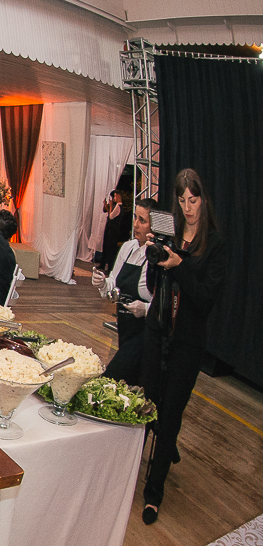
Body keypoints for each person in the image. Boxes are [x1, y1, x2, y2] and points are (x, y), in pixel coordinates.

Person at [139, 169, 226, 525]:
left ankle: (153, 494)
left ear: (203, 199)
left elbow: (204, 300)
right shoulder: (171, 234)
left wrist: (179, 265)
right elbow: (152, 285)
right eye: (182, 200)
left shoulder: (214, 244)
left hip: (187, 343)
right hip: (156, 332)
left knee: (171, 414)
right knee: (147, 407)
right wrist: (155, 256)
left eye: (193, 200)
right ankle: (132, 470)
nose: (188, 208)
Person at [92, 198, 154, 385]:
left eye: (142, 220)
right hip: (125, 327)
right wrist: (102, 283)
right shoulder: (128, 248)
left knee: (110, 378)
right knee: (130, 384)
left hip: (145, 332)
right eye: (135, 217)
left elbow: (165, 301)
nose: (136, 224)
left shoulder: (156, 257)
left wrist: (146, 308)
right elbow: (113, 282)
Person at [98, 190, 132, 272]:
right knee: (106, 247)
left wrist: (110, 206)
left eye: (115, 196)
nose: (114, 198)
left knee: (111, 249)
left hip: (113, 231)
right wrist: (107, 206)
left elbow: (111, 216)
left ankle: (110, 268)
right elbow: (107, 212)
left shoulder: (118, 206)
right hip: (110, 229)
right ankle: (103, 264)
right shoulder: (116, 206)